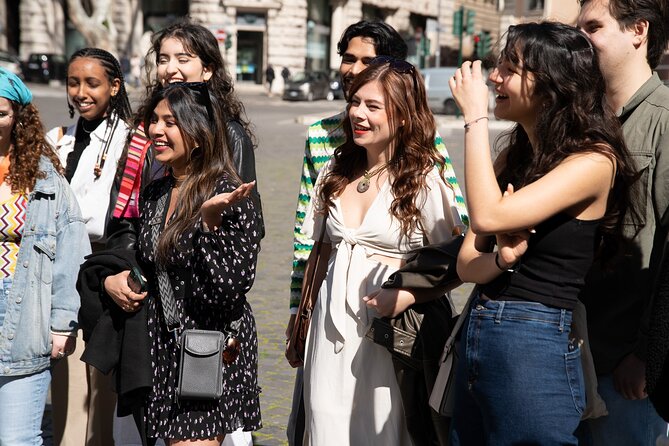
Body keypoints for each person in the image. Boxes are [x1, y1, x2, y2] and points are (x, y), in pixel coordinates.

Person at [449, 22, 637, 445]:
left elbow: (487, 217)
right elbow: (466, 265)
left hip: (533, 340)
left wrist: (475, 116)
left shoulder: (593, 161)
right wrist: (501, 260)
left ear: (552, 85)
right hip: (481, 329)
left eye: (510, 68)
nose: (494, 77)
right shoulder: (513, 157)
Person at [286, 20, 468, 444]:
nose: (358, 114)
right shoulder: (333, 168)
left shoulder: (424, 179)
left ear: (403, 116)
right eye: (356, 104)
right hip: (329, 331)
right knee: (325, 424)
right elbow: (313, 248)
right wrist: (300, 314)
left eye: (374, 107)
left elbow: (457, 258)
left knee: (384, 431)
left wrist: (408, 291)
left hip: (391, 335)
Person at [135, 82, 261, 444]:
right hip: (162, 345)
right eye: (154, 120)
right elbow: (152, 261)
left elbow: (229, 289)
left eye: (170, 123)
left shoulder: (229, 195)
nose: (156, 130)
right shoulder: (157, 190)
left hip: (206, 346)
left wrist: (210, 224)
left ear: (199, 135)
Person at [575, 0, 669, 443]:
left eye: (594, 26)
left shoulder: (664, 122)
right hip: (568, 355)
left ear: (638, 32)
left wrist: (646, 353)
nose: (581, 38)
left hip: (623, 370)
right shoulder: (581, 122)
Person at [107, 18, 263, 251]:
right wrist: (126, 267)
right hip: (144, 270)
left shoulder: (230, 135)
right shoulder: (145, 132)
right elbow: (124, 217)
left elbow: (245, 222)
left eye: (183, 59)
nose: (170, 69)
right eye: (163, 59)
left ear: (207, 70)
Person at [45, 47, 132, 446]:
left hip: (106, 269)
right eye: (74, 82)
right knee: (66, 385)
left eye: (92, 83)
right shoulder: (56, 140)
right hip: (61, 269)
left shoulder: (133, 142)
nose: (81, 92)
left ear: (114, 87)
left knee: (102, 386)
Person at [0, 68, 91, 444]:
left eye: (1, 112)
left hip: (24, 314)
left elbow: (72, 248)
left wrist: (62, 322)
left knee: (17, 439)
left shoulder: (45, 178)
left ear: (18, 117)